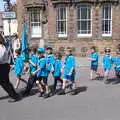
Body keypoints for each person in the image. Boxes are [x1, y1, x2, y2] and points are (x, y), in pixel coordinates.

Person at [0, 33, 21, 103]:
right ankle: (15, 95)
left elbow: (0, 58)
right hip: (3, 66)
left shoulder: (1, 47)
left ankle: (14, 96)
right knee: (6, 83)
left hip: (2, 66)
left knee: (5, 83)